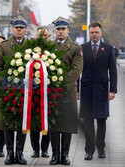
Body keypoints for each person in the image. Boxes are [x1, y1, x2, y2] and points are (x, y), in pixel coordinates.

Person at [78, 22, 117, 160]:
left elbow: (113, 71)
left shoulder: (108, 49)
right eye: (92, 32)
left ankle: (101, 149)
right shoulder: (82, 48)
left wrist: (113, 90)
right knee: (88, 122)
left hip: (102, 91)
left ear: (101, 33)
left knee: (101, 121)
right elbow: (78, 70)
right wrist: (77, 89)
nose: (94, 34)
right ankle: (89, 150)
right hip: (86, 90)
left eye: (96, 32)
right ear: (89, 33)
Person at [0, 16, 27, 165]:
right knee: (7, 123)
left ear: (25, 30)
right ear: (12, 29)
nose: (19, 30)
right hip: (8, 91)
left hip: (26, 91)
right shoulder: (4, 46)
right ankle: (9, 153)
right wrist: (6, 84)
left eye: (21, 28)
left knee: (23, 123)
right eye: (16, 27)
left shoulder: (32, 46)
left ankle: (20, 153)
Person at [49, 17, 83, 165]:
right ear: (54, 31)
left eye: (63, 29)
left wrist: (61, 84)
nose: (61, 31)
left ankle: (65, 155)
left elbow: (76, 70)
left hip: (67, 90)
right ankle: (55, 154)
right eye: (58, 29)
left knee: (67, 123)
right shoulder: (49, 46)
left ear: (67, 30)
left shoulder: (75, 48)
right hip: (52, 91)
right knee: (54, 123)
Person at [30, 26, 51, 158]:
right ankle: (35, 149)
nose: (42, 37)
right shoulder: (30, 50)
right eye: (40, 35)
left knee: (47, 122)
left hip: (49, 92)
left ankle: (45, 149)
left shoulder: (52, 50)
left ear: (49, 37)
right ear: (36, 36)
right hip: (33, 91)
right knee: (33, 123)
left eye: (45, 35)